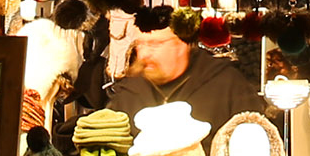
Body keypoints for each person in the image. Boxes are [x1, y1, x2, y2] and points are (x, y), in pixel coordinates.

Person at [101, 19, 257, 131]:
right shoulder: (128, 94)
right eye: (141, 44)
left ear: (182, 44)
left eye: (156, 44)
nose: (144, 54)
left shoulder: (227, 85)